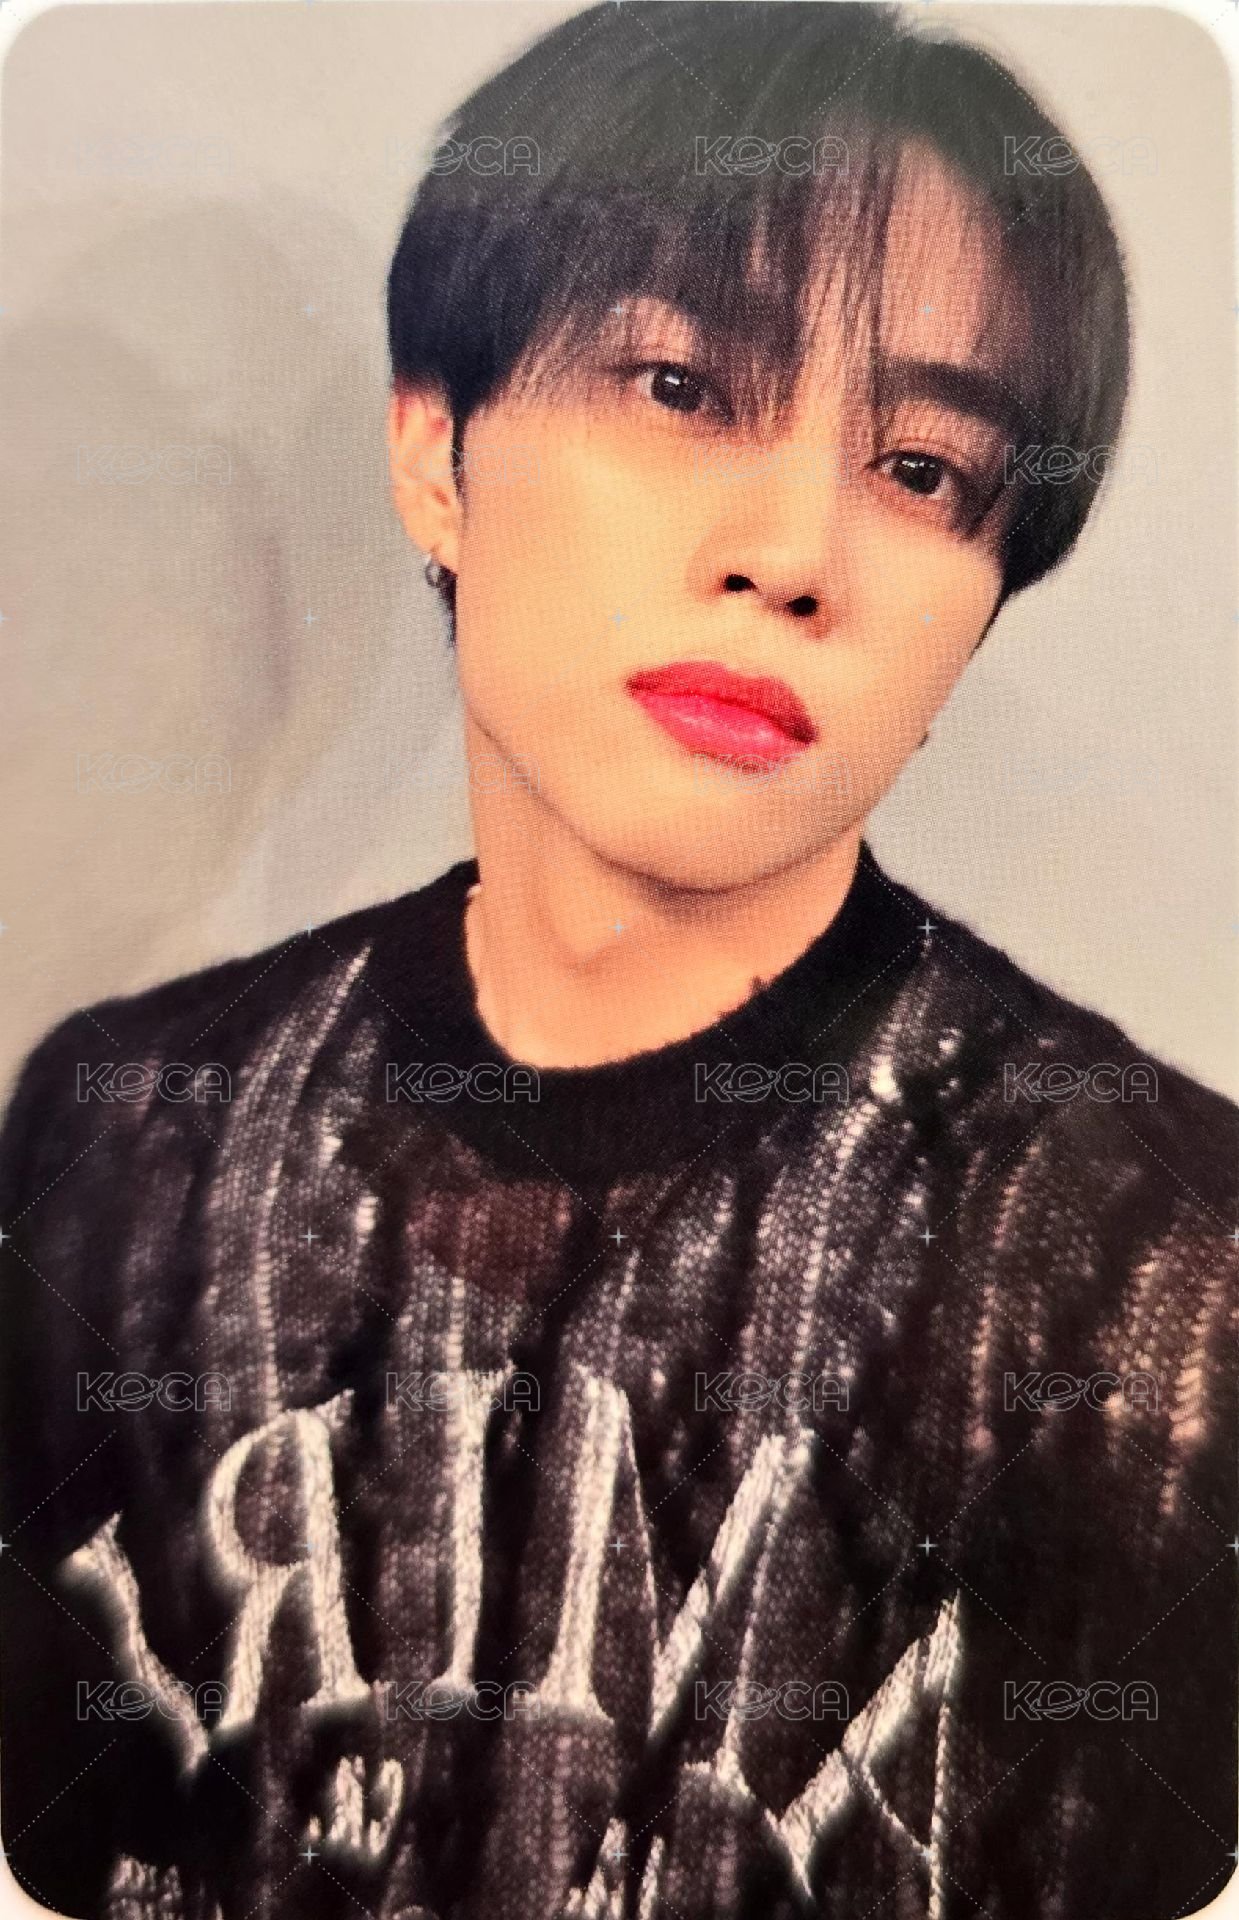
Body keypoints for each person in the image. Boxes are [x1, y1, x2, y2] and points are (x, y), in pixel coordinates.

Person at [0, 5, 1234, 1918]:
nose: (793, 551)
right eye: (678, 384)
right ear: (437, 455)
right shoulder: (122, 1146)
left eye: (924, 470)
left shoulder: (1162, 1275)